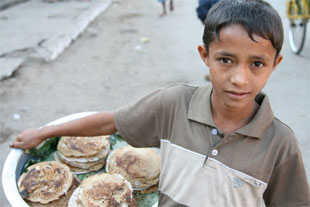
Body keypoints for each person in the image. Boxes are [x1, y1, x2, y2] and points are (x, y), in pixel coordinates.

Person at [11, 0, 310, 206]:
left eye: (256, 64)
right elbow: (110, 121)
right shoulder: (174, 104)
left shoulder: (280, 144)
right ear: (205, 56)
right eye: (225, 60)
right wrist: (44, 133)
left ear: (275, 64)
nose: (239, 79)